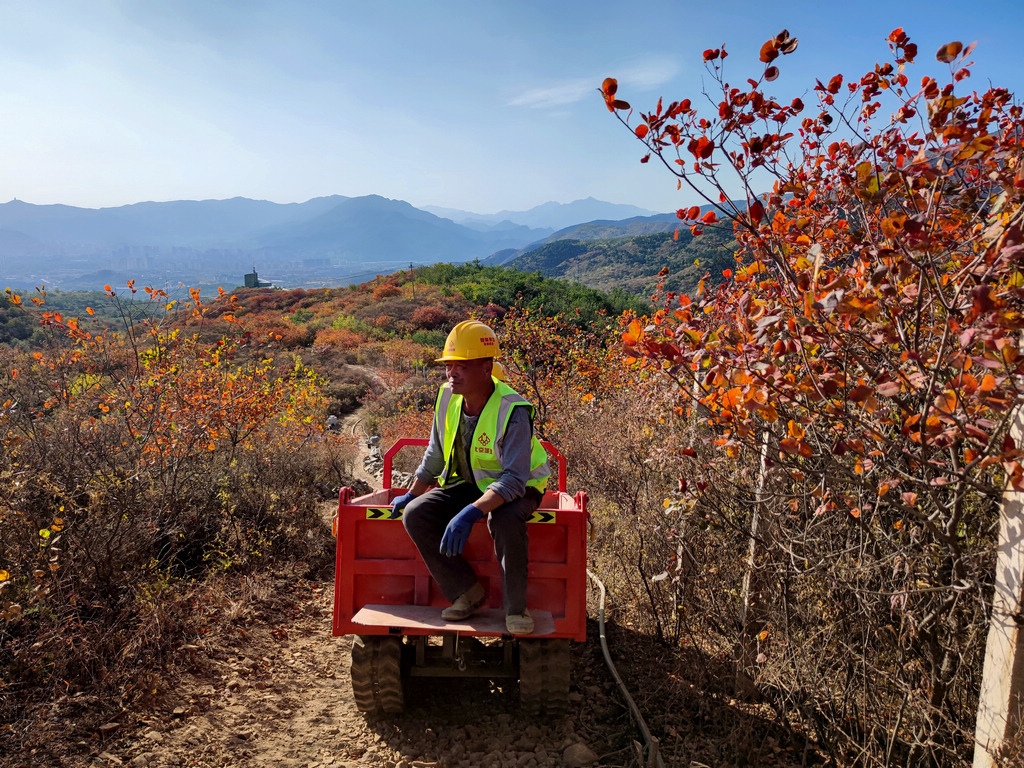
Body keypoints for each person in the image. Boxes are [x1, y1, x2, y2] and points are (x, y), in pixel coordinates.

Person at [392, 320, 550, 635]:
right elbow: (436, 453)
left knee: (504, 519)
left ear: (486, 368)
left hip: (519, 488)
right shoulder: (446, 398)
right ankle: (466, 591)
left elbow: (514, 480)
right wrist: (413, 493)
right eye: (448, 365)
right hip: (470, 483)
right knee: (416, 514)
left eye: (461, 366)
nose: (452, 373)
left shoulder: (514, 410)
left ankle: (516, 609)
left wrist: (471, 512)